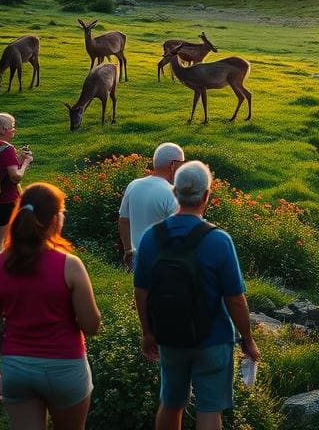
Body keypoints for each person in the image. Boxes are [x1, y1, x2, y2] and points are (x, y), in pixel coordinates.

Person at [134, 160, 260, 430]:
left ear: (174, 192)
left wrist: (148, 332)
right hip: (213, 338)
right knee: (209, 409)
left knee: (171, 402)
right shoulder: (219, 240)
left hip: (169, 336)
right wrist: (247, 339)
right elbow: (235, 300)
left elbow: (141, 291)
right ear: (206, 195)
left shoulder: (150, 238)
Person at [0, 182, 101, 430]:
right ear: (55, 219)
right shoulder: (69, 265)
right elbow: (91, 325)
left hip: (17, 368)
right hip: (65, 367)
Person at [118, 142, 183, 270]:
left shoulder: (133, 185)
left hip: (136, 265)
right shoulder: (173, 193)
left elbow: (123, 221)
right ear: (173, 165)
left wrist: (128, 251)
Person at [0, 113, 33, 257]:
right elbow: (15, 177)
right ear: (4, 129)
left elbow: (1, 169)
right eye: (12, 127)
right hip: (7, 200)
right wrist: (26, 162)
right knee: (9, 238)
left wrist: (19, 160)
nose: (14, 130)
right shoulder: (7, 149)